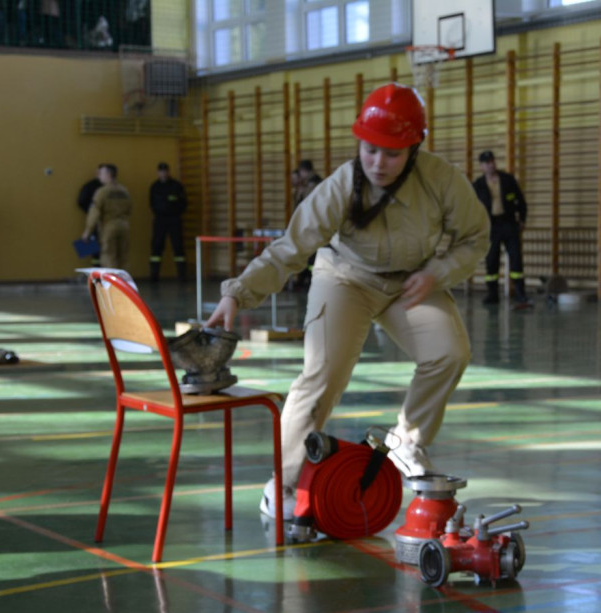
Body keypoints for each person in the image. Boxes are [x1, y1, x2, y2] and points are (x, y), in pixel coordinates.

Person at [204, 83, 489, 519]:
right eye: (370, 149)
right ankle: (282, 484)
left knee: (450, 354)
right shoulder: (340, 185)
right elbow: (291, 247)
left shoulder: (442, 181)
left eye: (392, 154)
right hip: (345, 278)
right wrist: (238, 294)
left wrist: (438, 274)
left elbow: (475, 238)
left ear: (414, 148)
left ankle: (406, 443)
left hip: (411, 283)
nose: (378, 163)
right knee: (321, 376)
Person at [472, 150, 530, 305]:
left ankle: (520, 292)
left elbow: (521, 201)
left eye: (492, 161)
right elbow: (471, 209)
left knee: (516, 259)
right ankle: (492, 294)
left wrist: (522, 220)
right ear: (481, 166)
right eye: (487, 162)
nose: (491, 164)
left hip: (509, 223)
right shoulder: (478, 185)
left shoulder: (507, 180)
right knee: (491, 260)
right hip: (491, 227)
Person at [83, 163, 132, 269]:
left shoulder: (102, 192)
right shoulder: (124, 191)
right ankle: (123, 284)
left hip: (109, 227)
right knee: (123, 258)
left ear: (109, 175)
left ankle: (111, 284)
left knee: (108, 257)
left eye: (101, 173)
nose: (99, 176)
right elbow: (129, 209)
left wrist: (88, 232)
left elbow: (94, 213)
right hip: (124, 226)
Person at [148, 161, 188, 282]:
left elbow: (183, 203)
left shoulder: (176, 186)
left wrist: (175, 213)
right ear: (158, 172)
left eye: (165, 171)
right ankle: (154, 276)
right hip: (160, 220)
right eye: (161, 171)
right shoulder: (155, 186)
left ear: (168, 172)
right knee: (156, 247)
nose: (163, 173)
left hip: (174, 220)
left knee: (178, 246)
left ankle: (182, 275)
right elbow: (151, 203)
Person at [292, 160, 322, 289]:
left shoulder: (313, 184)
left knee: (312, 255)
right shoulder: (310, 183)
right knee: (309, 255)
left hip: (313, 225)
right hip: (311, 225)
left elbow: (307, 205)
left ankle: (308, 280)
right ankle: (305, 279)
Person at [77, 165, 104, 267]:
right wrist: (90, 212)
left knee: (107, 251)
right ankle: (96, 272)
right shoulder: (90, 186)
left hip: (106, 223)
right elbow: (81, 201)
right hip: (95, 221)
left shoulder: (108, 189)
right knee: (94, 249)